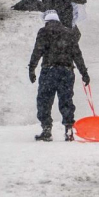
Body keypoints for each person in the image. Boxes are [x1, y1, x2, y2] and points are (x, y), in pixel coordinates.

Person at [29, 10, 90, 142]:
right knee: (66, 100)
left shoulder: (44, 32)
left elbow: (37, 51)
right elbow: (77, 55)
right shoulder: (69, 33)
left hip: (49, 71)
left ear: (47, 22)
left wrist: (32, 68)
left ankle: (46, 129)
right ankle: (68, 129)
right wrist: (84, 73)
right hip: (66, 72)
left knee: (44, 100)